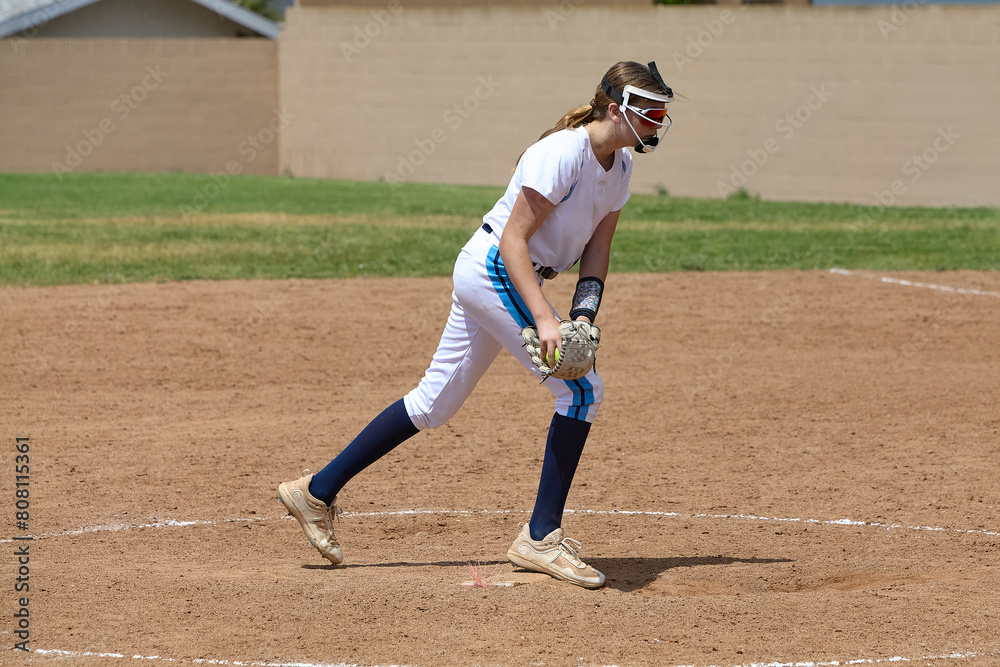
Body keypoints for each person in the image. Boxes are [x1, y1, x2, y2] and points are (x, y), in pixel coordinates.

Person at [279, 61, 674, 589]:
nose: (656, 123)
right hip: (495, 268)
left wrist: (582, 315)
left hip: (509, 274)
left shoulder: (621, 167)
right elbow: (513, 242)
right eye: (649, 112)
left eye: (660, 115)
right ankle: (540, 539)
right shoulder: (562, 152)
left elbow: (598, 249)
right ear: (612, 107)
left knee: (432, 404)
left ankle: (314, 492)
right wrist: (543, 318)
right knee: (580, 393)